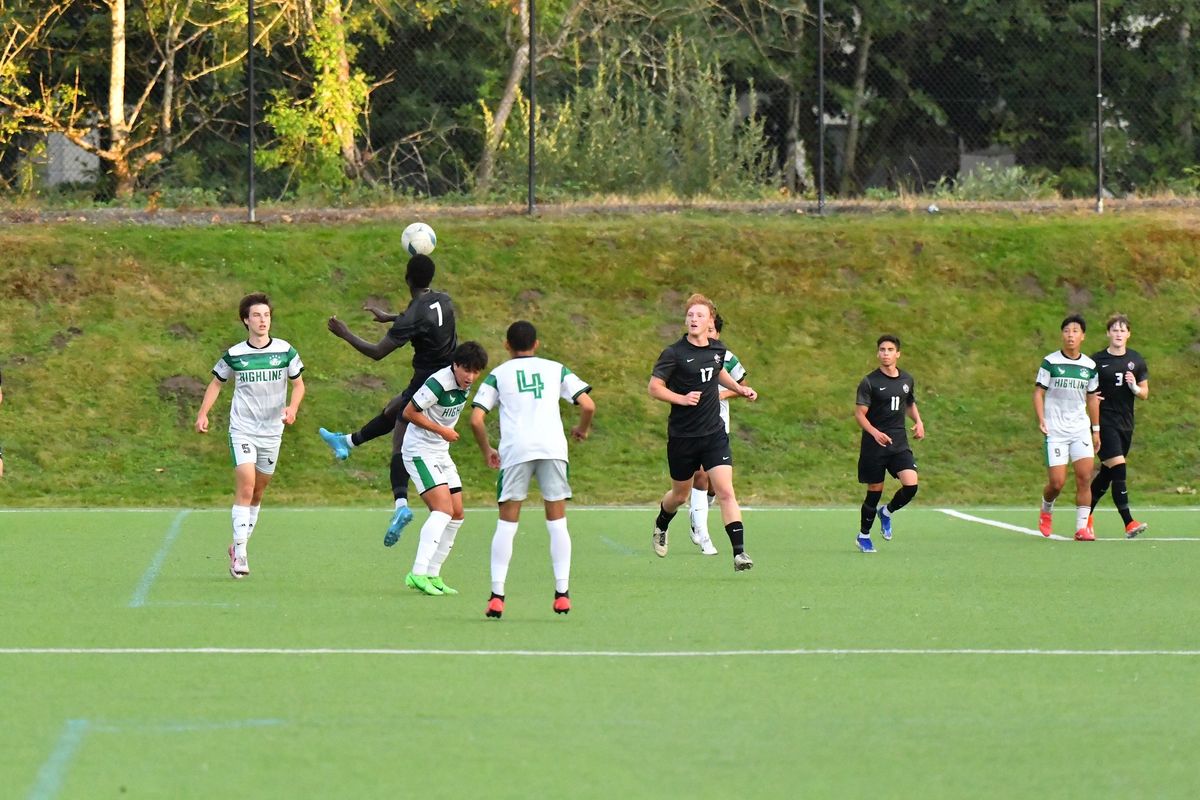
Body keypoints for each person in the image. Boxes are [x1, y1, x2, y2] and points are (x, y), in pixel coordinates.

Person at [318, 254, 457, 546]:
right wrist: (390, 318)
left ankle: (400, 506)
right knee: (393, 408)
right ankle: (347, 442)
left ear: (407, 278)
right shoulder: (443, 300)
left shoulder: (413, 313)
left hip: (428, 385)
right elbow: (421, 319)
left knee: (401, 438)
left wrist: (345, 334)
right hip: (445, 377)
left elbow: (378, 352)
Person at [469, 320, 595, 619]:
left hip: (516, 451)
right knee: (557, 523)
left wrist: (488, 450)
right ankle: (562, 593)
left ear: (506, 346)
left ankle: (497, 595)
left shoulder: (498, 375)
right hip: (552, 449)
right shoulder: (556, 369)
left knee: (507, 525)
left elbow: (476, 419)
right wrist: (581, 429)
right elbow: (588, 405)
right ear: (536, 344)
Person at [195, 293, 306, 578]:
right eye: (256, 316)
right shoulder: (234, 355)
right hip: (242, 429)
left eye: (266, 315)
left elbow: (299, 385)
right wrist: (203, 413)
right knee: (246, 486)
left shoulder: (285, 351)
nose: (262, 320)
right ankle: (241, 555)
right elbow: (216, 384)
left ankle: (236, 545)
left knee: (258, 492)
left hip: (272, 432)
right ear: (246, 320)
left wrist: (292, 409)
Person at [648, 294, 758, 571]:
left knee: (725, 491)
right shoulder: (673, 353)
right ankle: (662, 522)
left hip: (713, 434)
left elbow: (718, 371)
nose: (694, 319)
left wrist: (738, 388)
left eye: (699, 315)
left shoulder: (717, 350)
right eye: (690, 315)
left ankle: (740, 553)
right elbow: (654, 388)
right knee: (679, 495)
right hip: (683, 437)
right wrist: (681, 399)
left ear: (710, 321)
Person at [400, 341, 489, 596]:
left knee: (458, 514)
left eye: (475, 372)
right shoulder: (438, 383)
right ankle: (417, 573)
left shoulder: (466, 385)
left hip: (440, 451)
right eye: (466, 370)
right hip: (419, 450)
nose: (470, 377)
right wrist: (442, 431)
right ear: (455, 365)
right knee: (442, 510)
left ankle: (433, 573)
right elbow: (409, 412)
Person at [854, 335, 925, 553]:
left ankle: (887, 512)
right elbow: (859, 413)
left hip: (899, 443)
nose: (885, 353)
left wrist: (919, 422)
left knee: (911, 484)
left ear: (898, 354)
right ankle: (863, 535)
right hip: (874, 445)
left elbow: (909, 403)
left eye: (890, 349)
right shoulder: (869, 382)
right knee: (874, 490)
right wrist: (875, 433)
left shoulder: (906, 380)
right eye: (882, 349)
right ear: (878, 354)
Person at [1034, 314, 1100, 541]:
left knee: (1084, 477)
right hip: (1056, 431)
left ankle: (1082, 528)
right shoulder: (1050, 362)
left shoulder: (1089, 366)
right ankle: (1046, 509)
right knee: (1057, 483)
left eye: (1075, 331)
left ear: (1083, 336)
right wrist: (1041, 418)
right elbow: (1038, 392)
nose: (1070, 335)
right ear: (1062, 335)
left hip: (1080, 429)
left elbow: (1092, 398)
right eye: (1066, 331)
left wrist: (1096, 429)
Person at [688, 313, 748, 556]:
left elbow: (741, 385)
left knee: (717, 485)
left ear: (717, 334)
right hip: (693, 426)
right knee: (700, 475)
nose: (707, 333)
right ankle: (703, 534)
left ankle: (700, 508)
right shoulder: (687, 355)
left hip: (719, 425)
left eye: (712, 330)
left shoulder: (727, 358)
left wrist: (723, 394)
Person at [1088, 313, 1149, 538]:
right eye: (1114, 330)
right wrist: (1091, 397)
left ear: (1129, 334)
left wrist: (1134, 389)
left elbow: (1145, 393)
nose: (1118, 334)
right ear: (1108, 333)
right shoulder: (1096, 360)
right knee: (1119, 468)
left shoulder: (1136, 359)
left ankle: (1085, 516)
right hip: (1104, 422)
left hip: (1126, 424)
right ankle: (1129, 522)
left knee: (1107, 473)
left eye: (1122, 330)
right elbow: (1084, 388)